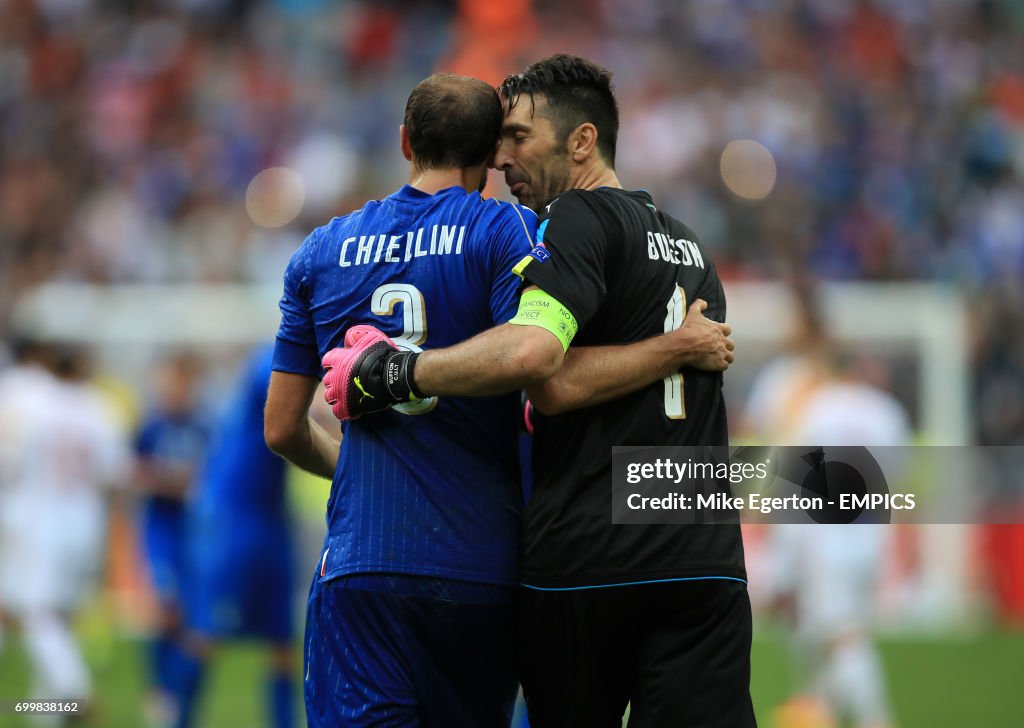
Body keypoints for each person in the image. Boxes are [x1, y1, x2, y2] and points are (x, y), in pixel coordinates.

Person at [265, 72, 733, 727]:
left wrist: (362, 468)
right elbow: (541, 361)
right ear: (489, 155)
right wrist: (676, 346)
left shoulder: (320, 251)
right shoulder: (512, 232)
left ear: (405, 142)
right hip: (482, 568)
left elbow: (283, 428)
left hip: (360, 562)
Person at [165, 344, 297, 728]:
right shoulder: (269, 359)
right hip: (232, 516)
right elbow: (301, 399)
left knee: (282, 639)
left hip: (269, 515)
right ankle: (176, 718)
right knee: (206, 630)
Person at [0, 340, 127, 720]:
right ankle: (46, 713)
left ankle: (75, 692)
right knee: (62, 617)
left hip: (39, 519)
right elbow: (114, 474)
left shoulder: (34, 404)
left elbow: (10, 463)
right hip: (86, 522)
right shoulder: (102, 408)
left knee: (37, 614)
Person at [132, 351, 210, 727]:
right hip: (161, 533)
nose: (172, 390)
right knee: (165, 610)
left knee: (198, 627)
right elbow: (134, 474)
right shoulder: (150, 427)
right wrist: (173, 481)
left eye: (179, 382)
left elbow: (211, 479)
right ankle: (160, 693)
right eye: (167, 381)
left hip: (195, 537)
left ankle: (183, 706)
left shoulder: (204, 427)